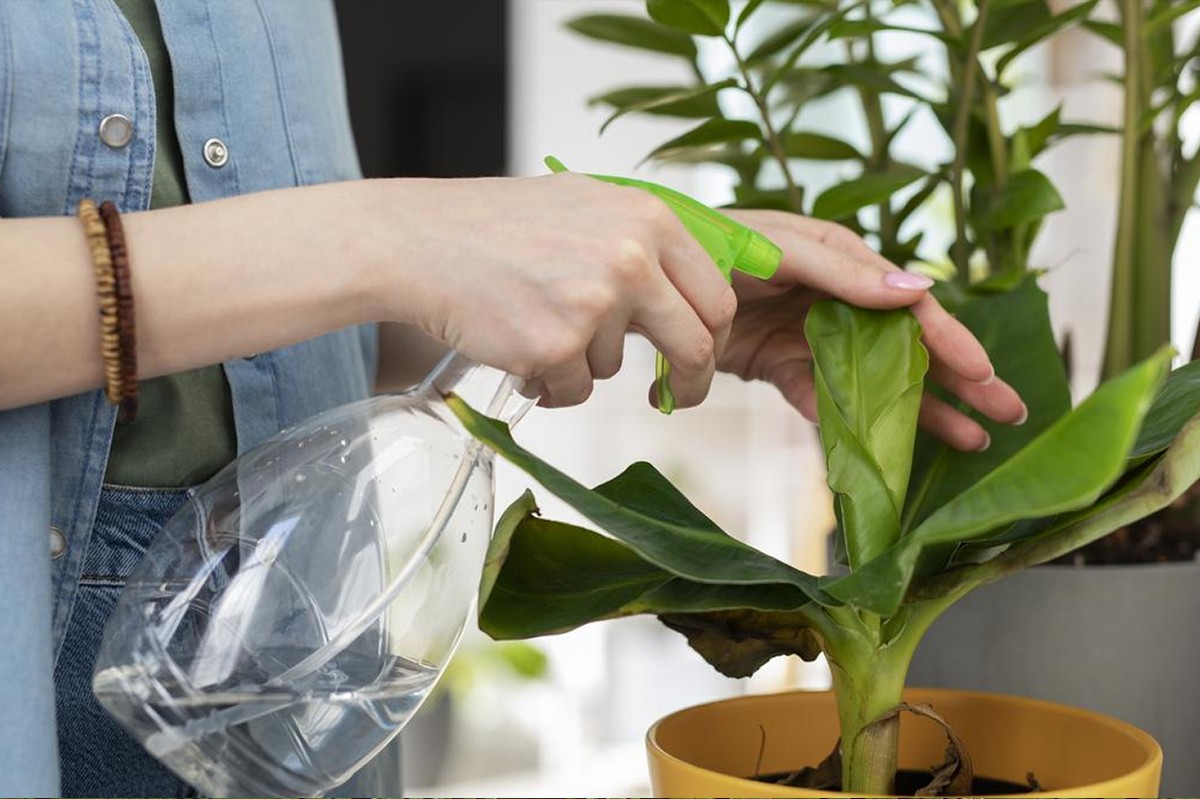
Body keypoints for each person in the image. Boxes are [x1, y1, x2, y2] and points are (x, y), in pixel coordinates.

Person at [0, 1, 1026, 796]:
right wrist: (397, 237)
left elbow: (271, 320)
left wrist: (644, 271)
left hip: (298, 692)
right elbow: (363, 251)